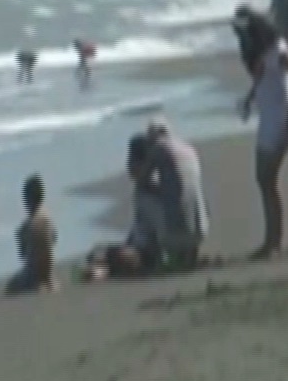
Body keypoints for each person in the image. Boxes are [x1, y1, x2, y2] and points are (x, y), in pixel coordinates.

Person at [238, 10, 288, 258]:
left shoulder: (278, 49)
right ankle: (271, 239)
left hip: (280, 121)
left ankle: (273, 241)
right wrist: (249, 99)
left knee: (267, 180)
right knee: (264, 181)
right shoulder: (262, 53)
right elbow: (260, 79)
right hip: (269, 119)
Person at [82, 134, 165, 281]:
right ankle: (105, 270)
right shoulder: (143, 189)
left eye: (131, 160)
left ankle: (107, 271)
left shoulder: (152, 189)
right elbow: (139, 227)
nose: (128, 165)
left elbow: (158, 229)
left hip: (147, 253)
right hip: (139, 248)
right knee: (98, 253)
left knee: (111, 256)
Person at [141, 118, 210, 268]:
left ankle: (154, 254)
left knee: (143, 197)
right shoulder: (189, 148)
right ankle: (189, 255)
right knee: (188, 196)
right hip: (201, 230)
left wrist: (160, 190)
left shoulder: (158, 148)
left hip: (175, 234)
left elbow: (143, 180)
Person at [7, 174, 58, 294]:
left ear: (26, 198)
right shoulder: (48, 219)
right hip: (48, 275)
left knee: (11, 286)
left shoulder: (25, 227)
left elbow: (23, 255)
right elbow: (53, 240)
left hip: (32, 277)